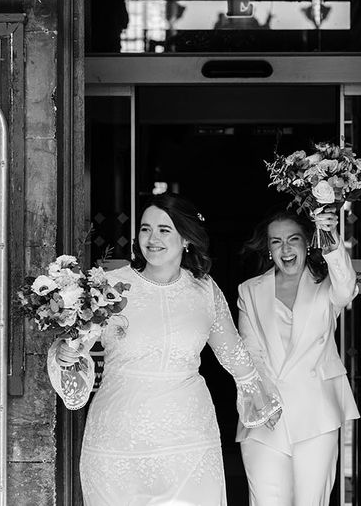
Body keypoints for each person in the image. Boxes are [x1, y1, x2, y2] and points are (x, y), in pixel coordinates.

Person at [52, 193, 281, 506]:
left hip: (187, 438)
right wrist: (66, 354)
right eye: (146, 229)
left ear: (185, 237)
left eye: (164, 229)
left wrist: (260, 397)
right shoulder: (110, 286)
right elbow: (78, 345)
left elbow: (234, 353)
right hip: (119, 437)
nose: (152, 238)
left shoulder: (204, 289)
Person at [236, 207, 359, 506]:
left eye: (293, 239)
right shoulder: (250, 291)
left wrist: (331, 238)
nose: (286, 249)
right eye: (276, 242)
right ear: (268, 249)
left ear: (307, 243)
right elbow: (250, 352)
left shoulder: (326, 284)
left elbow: (347, 288)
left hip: (316, 413)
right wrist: (264, 402)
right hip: (266, 413)